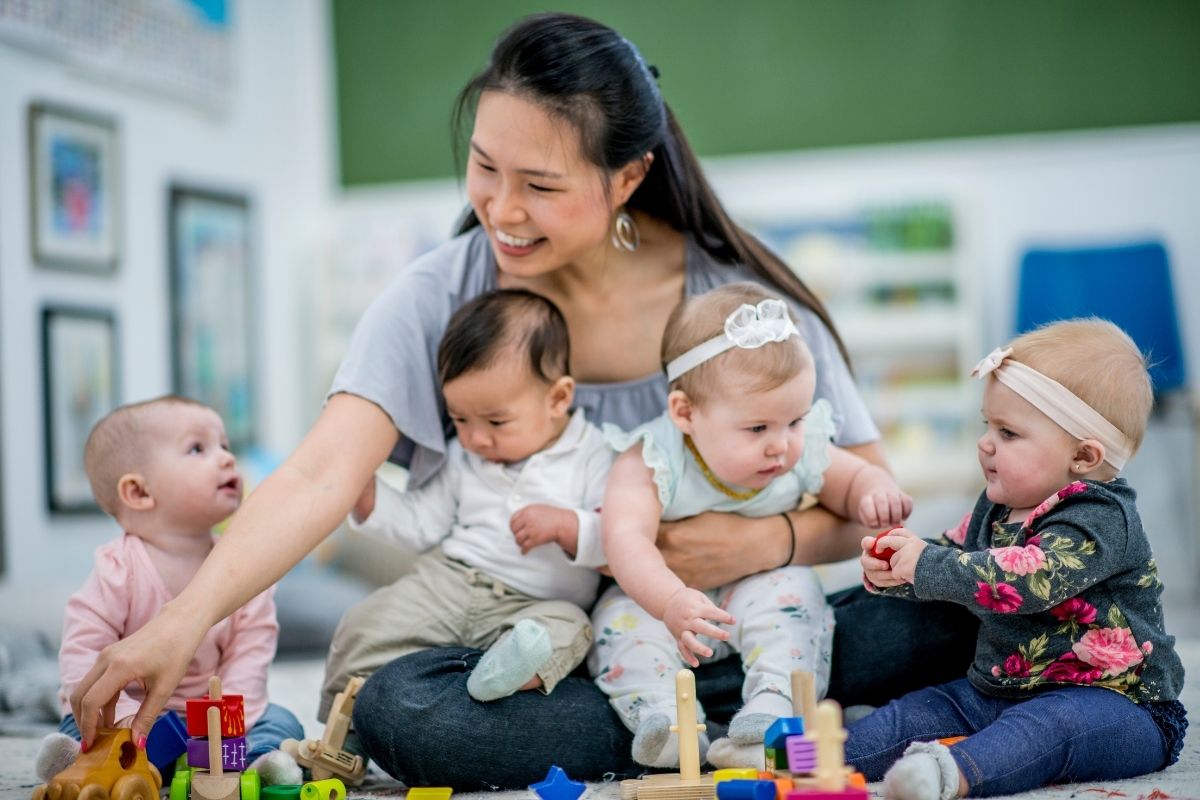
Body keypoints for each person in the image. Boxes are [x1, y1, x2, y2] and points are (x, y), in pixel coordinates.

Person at [69, 12, 975, 790]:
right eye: (484, 167)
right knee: (399, 709)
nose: (501, 208)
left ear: (627, 179)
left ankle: (725, 709)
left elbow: (870, 506)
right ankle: (731, 721)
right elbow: (316, 476)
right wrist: (181, 627)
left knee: (946, 606)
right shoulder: (437, 296)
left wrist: (756, 542)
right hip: (548, 653)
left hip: (733, 622)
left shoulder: (737, 317)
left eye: (541, 185)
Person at [848, 319, 1187, 800]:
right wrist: (897, 568)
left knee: (1049, 728)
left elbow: (1029, 578)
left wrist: (925, 565)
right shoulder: (997, 506)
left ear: (1084, 456)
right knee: (920, 710)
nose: (986, 442)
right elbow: (954, 562)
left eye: (1008, 433)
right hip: (998, 690)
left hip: (1120, 707)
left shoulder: (1100, 517)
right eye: (988, 425)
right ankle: (803, 754)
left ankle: (950, 775)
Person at [593, 283, 912, 770]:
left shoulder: (797, 449)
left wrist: (874, 489)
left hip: (758, 589)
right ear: (686, 414)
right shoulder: (653, 457)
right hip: (669, 599)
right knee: (621, 626)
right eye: (758, 428)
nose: (781, 445)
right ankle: (665, 722)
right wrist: (670, 600)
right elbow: (624, 539)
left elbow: (853, 480)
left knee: (796, 593)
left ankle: (771, 708)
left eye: (795, 421)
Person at [320, 288, 611, 719]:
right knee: (365, 623)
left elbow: (623, 540)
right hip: (451, 581)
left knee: (571, 630)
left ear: (558, 398)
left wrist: (569, 526)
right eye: (459, 419)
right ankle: (341, 737)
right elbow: (423, 523)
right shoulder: (463, 455)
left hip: (537, 603)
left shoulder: (596, 454)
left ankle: (504, 673)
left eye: (496, 421)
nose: (476, 437)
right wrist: (368, 496)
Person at [38, 396, 304, 786]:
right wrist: (127, 719)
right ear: (139, 493)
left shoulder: (244, 568)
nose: (227, 458)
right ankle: (78, 761)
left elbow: (251, 654)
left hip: (218, 718)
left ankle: (257, 764)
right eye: (198, 448)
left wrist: (225, 725)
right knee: (85, 726)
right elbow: (84, 656)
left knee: (283, 721)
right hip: (134, 716)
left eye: (225, 446)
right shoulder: (118, 570)